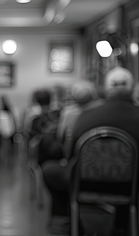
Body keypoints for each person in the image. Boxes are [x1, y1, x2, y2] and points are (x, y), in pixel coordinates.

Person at [42, 66, 139, 235]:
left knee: (50, 170)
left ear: (107, 89)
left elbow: (71, 153)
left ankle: (65, 221)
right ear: (132, 88)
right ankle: (123, 224)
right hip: (131, 186)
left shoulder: (87, 116)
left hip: (84, 181)